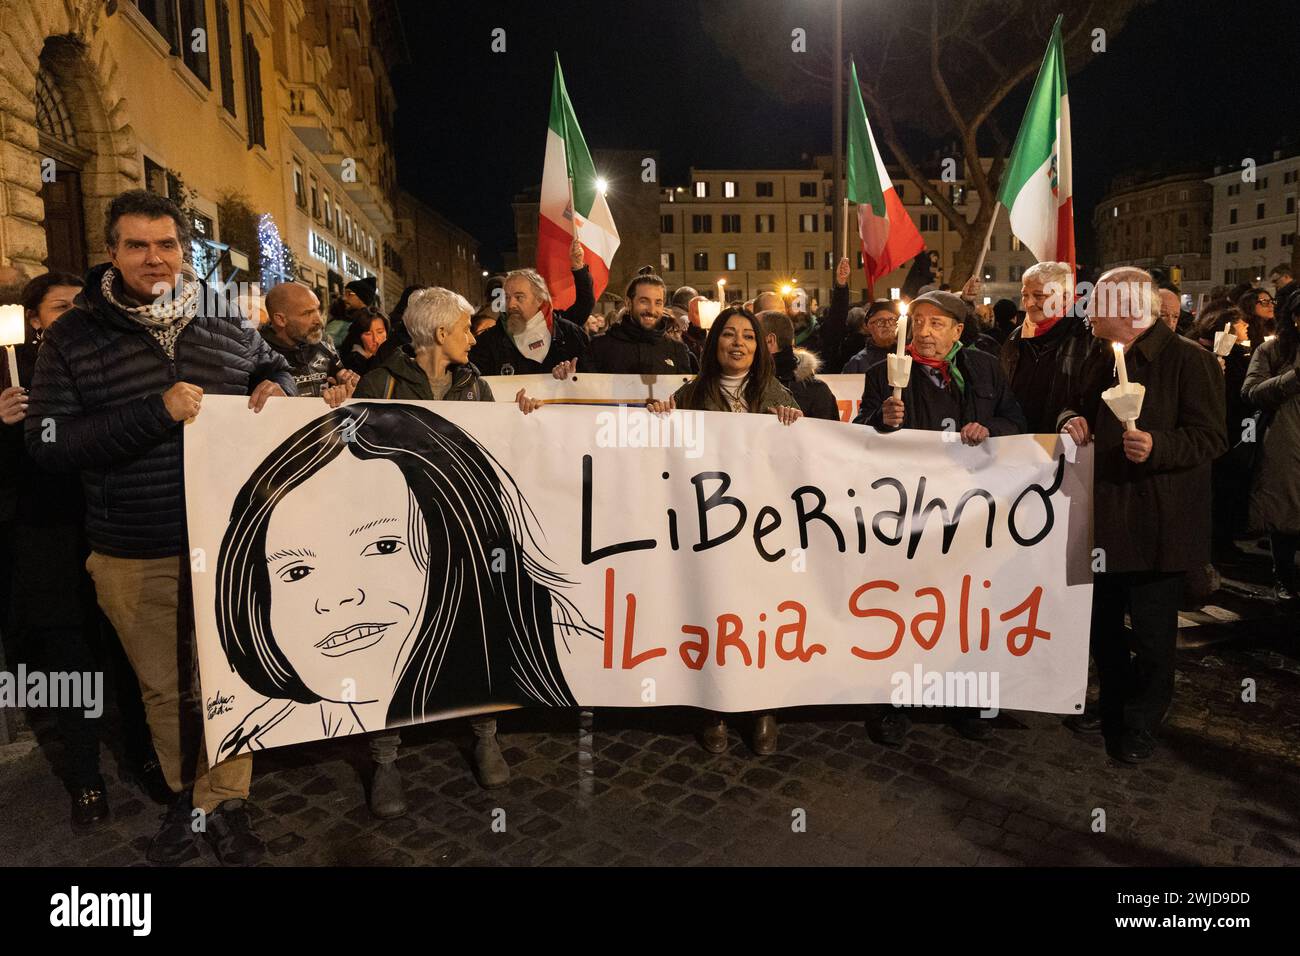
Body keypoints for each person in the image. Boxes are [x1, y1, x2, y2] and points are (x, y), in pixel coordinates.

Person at [24, 189, 295, 865]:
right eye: (138, 246)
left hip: (231, 542)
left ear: (185, 249)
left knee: (234, 678)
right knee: (165, 689)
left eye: (167, 244)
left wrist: (279, 385)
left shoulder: (223, 314)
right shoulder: (74, 333)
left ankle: (221, 804)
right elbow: (49, 441)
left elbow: (275, 365)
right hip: (134, 548)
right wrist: (156, 412)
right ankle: (197, 799)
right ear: (111, 252)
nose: (155, 259)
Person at [214, 401, 600, 759]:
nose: (338, 597)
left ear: (458, 544)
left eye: (383, 546)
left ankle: (484, 735)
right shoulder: (255, 731)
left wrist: (539, 404)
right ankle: (386, 759)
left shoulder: (572, 646)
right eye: (297, 572)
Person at [1, 271, 160, 827]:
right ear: (34, 319)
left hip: (112, 528)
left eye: (79, 305)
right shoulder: (12, 375)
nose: (72, 314)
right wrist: (5, 428)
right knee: (71, 665)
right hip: (50, 541)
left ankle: (147, 755)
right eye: (59, 306)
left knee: (130, 654)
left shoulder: (96, 364)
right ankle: (86, 779)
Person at [1060, 266, 1225, 763]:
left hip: (1160, 524)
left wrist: (1158, 445)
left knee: (1153, 636)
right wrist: (1071, 419)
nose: (1087, 311)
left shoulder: (1189, 362)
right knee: (1104, 628)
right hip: (1105, 519)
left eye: (1098, 303)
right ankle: (1111, 703)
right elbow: (1070, 405)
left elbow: (1213, 437)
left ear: (1131, 309)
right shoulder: (1101, 358)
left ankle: (1141, 720)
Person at [855, 289, 1026, 745]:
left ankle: (966, 700)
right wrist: (880, 419)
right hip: (909, 513)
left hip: (971, 511)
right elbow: (856, 439)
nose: (925, 333)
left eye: (937, 324)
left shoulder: (985, 369)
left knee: (964, 604)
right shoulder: (883, 374)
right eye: (920, 323)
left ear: (958, 331)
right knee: (905, 603)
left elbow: (1015, 419)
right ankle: (894, 702)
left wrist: (990, 428)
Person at [648, 306, 802, 756]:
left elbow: (802, 464)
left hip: (764, 531)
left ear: (760, 347)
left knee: (760, 617)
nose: (739, 344)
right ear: (714, 343)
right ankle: (713, 706)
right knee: (714, 614)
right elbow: (659, 455)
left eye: (749, 337)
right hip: (708, 528)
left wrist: (794, 428)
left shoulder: (780, 396)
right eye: (729, 335)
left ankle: (762, 707)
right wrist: (657, 417)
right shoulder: (690, 395)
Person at [1242, 294, 1300, 600]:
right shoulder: (1272, 350)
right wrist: (1293, 378)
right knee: (1285, 514)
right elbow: (1251, 392)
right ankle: (1284, 577)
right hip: (1285, 439)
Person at [470, 238, 592, 376]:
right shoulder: (489, 342)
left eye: (519, 297)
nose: (511, 304)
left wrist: (572, 376)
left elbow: (589, 379)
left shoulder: (568, 334)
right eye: (507, 297)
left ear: (539, 299)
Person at [997, 261, 1092, 435]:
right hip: (1016, 443)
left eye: (1039, 296)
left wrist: (1069, 418)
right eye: (1025, 295)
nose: (1029, 303)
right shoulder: (1015, 338)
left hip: (1063, 446)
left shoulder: (1086, 337)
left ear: (1064, 298)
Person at [1190, 306, 1255, 559]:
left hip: (1234, 431)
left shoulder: (1240, 355)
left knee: (1227, 490)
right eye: (1240, 322)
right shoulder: (1207, 357)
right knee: (1219, 491)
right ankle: (1217, 544)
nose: (1246, 325)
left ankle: (1223, 540)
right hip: (1222, 431)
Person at [577, 272, 693, 375]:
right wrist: (566, 377)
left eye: (658, 303)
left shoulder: (678, 350)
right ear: (628, 303)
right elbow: (584, 391)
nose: (651, 310)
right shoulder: (599, 347)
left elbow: (687, 394)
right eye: (644, 301)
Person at [261, 281, 358, 404]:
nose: (319, 320)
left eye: (318, 309)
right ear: (280, 319)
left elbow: (342, 386)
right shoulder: (256, 355)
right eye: (307, 313)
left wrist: (345, 388)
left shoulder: (324, 346)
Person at [759, 309, 838, 420]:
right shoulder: (743, 383)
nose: (742, 342)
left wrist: (797, 424)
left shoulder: (816, 392)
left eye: (750, 336)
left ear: (770, 340)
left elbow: (828, 435)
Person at [842, 300, 901, 374]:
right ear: (868, 327)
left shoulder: (908, 355)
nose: (887, 325)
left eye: (892, 320)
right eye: (880, 321)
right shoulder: (857, 363)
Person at [325, 275, 378, 348]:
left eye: (349, 294)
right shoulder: (343, 318)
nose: (344, 298)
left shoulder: (373, 322)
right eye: (344, 294)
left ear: (362, 297)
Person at [339, 309, 389, 377]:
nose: (376, 339)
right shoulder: (353, 363)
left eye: (380, 332)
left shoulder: (394, 354)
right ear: (359, 336)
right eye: (368, 334)